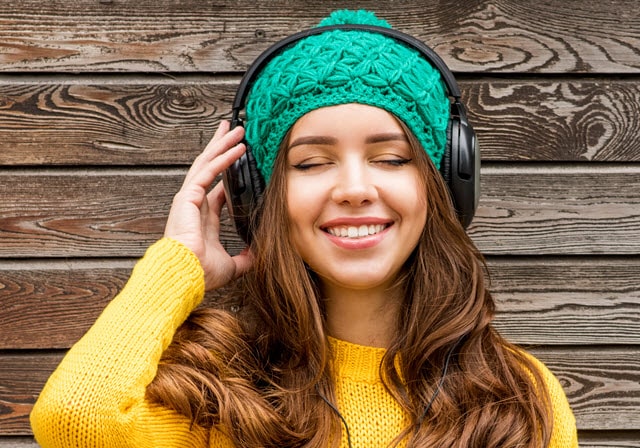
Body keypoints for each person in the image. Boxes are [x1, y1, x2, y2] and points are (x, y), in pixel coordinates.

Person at [30, 9, 578, 448]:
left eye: (391, 158)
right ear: (259, 196)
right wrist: (178, 267)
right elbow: (76, 421)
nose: (354, 188)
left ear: (443, 186)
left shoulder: (518, 400)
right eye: (312, 163)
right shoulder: (216, 392)